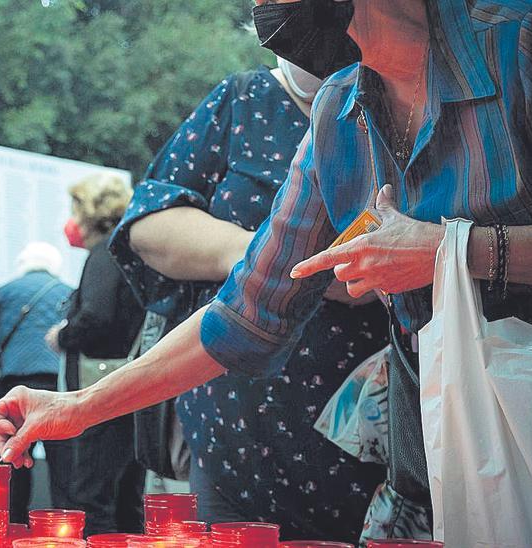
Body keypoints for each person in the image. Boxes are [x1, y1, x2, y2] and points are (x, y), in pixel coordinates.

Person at [0, 0, 532, 541]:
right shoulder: (340, 111)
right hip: (441, 454)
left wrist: (456, 251)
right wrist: (79, 407)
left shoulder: (523, 39)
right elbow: (245, 313)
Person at [108, 59, 386, 540]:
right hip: (231, 444)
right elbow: (148, 223)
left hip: (376, 448)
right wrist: (273, 255)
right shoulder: (242, 101)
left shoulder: (406, 106)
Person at [42, 174, 147, 535]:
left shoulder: (103, 255)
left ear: (90, 214)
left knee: (90, 496)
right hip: (129, 391)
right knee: (126, 498)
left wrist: (63, 335)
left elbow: (95, 316)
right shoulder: (131, 254)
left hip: (99, 395)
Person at [0, 242, 72, 523]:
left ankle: (14, 529)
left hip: (14, 389)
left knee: (15, 464)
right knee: (63, 470)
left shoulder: (5, 292)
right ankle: (64, 530)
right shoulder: (67, 292)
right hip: (57, 389)